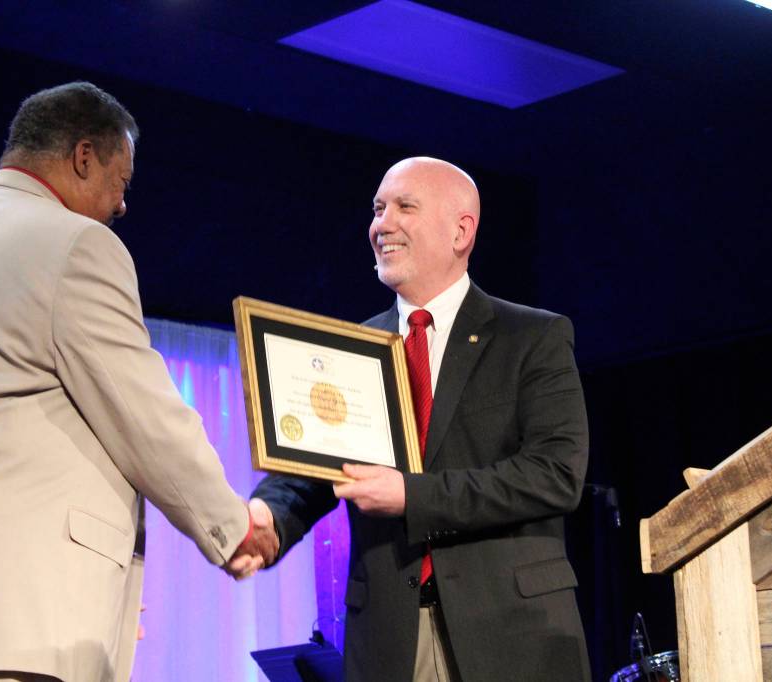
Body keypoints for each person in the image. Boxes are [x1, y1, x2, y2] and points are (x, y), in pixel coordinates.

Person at [0, 82, 276, 682]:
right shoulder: (75, 245)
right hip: (9, 626)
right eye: (121, 181)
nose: (122, 205)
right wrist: (233, 528)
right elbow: (146, 416)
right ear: (83, 157)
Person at [252, 157, 590, 681]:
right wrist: (269, 522)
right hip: (390, 641)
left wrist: (413, 496)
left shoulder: (532, 337)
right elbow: (312, 472)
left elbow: (555, 476)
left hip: (513, 636)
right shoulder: (356, 347)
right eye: (378, 208)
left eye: (404, 207)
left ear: (461, 230)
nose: (382, 224)